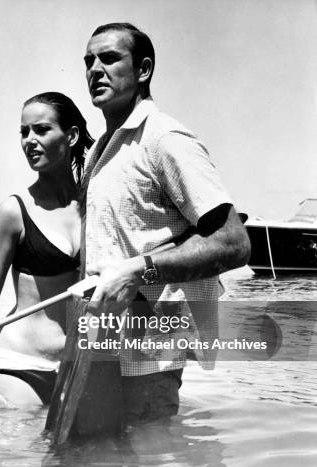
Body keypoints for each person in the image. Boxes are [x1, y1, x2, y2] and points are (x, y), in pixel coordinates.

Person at [79, 23, 251, 427]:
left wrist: (140, 269)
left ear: (143, 70)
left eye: (108, 58)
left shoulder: (166, 139)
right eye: (88, 61)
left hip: (150, 355)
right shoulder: (100, 152)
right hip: (101, 345)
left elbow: (234, 244)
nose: (94, 70)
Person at [0, 92, 94, 409]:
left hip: (80, 365)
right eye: (24, 132)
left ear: (71, 136)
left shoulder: (96, 208)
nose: (29, 140)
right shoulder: (13, 212)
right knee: (17, 459)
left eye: (41, 130)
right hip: (22, 367)